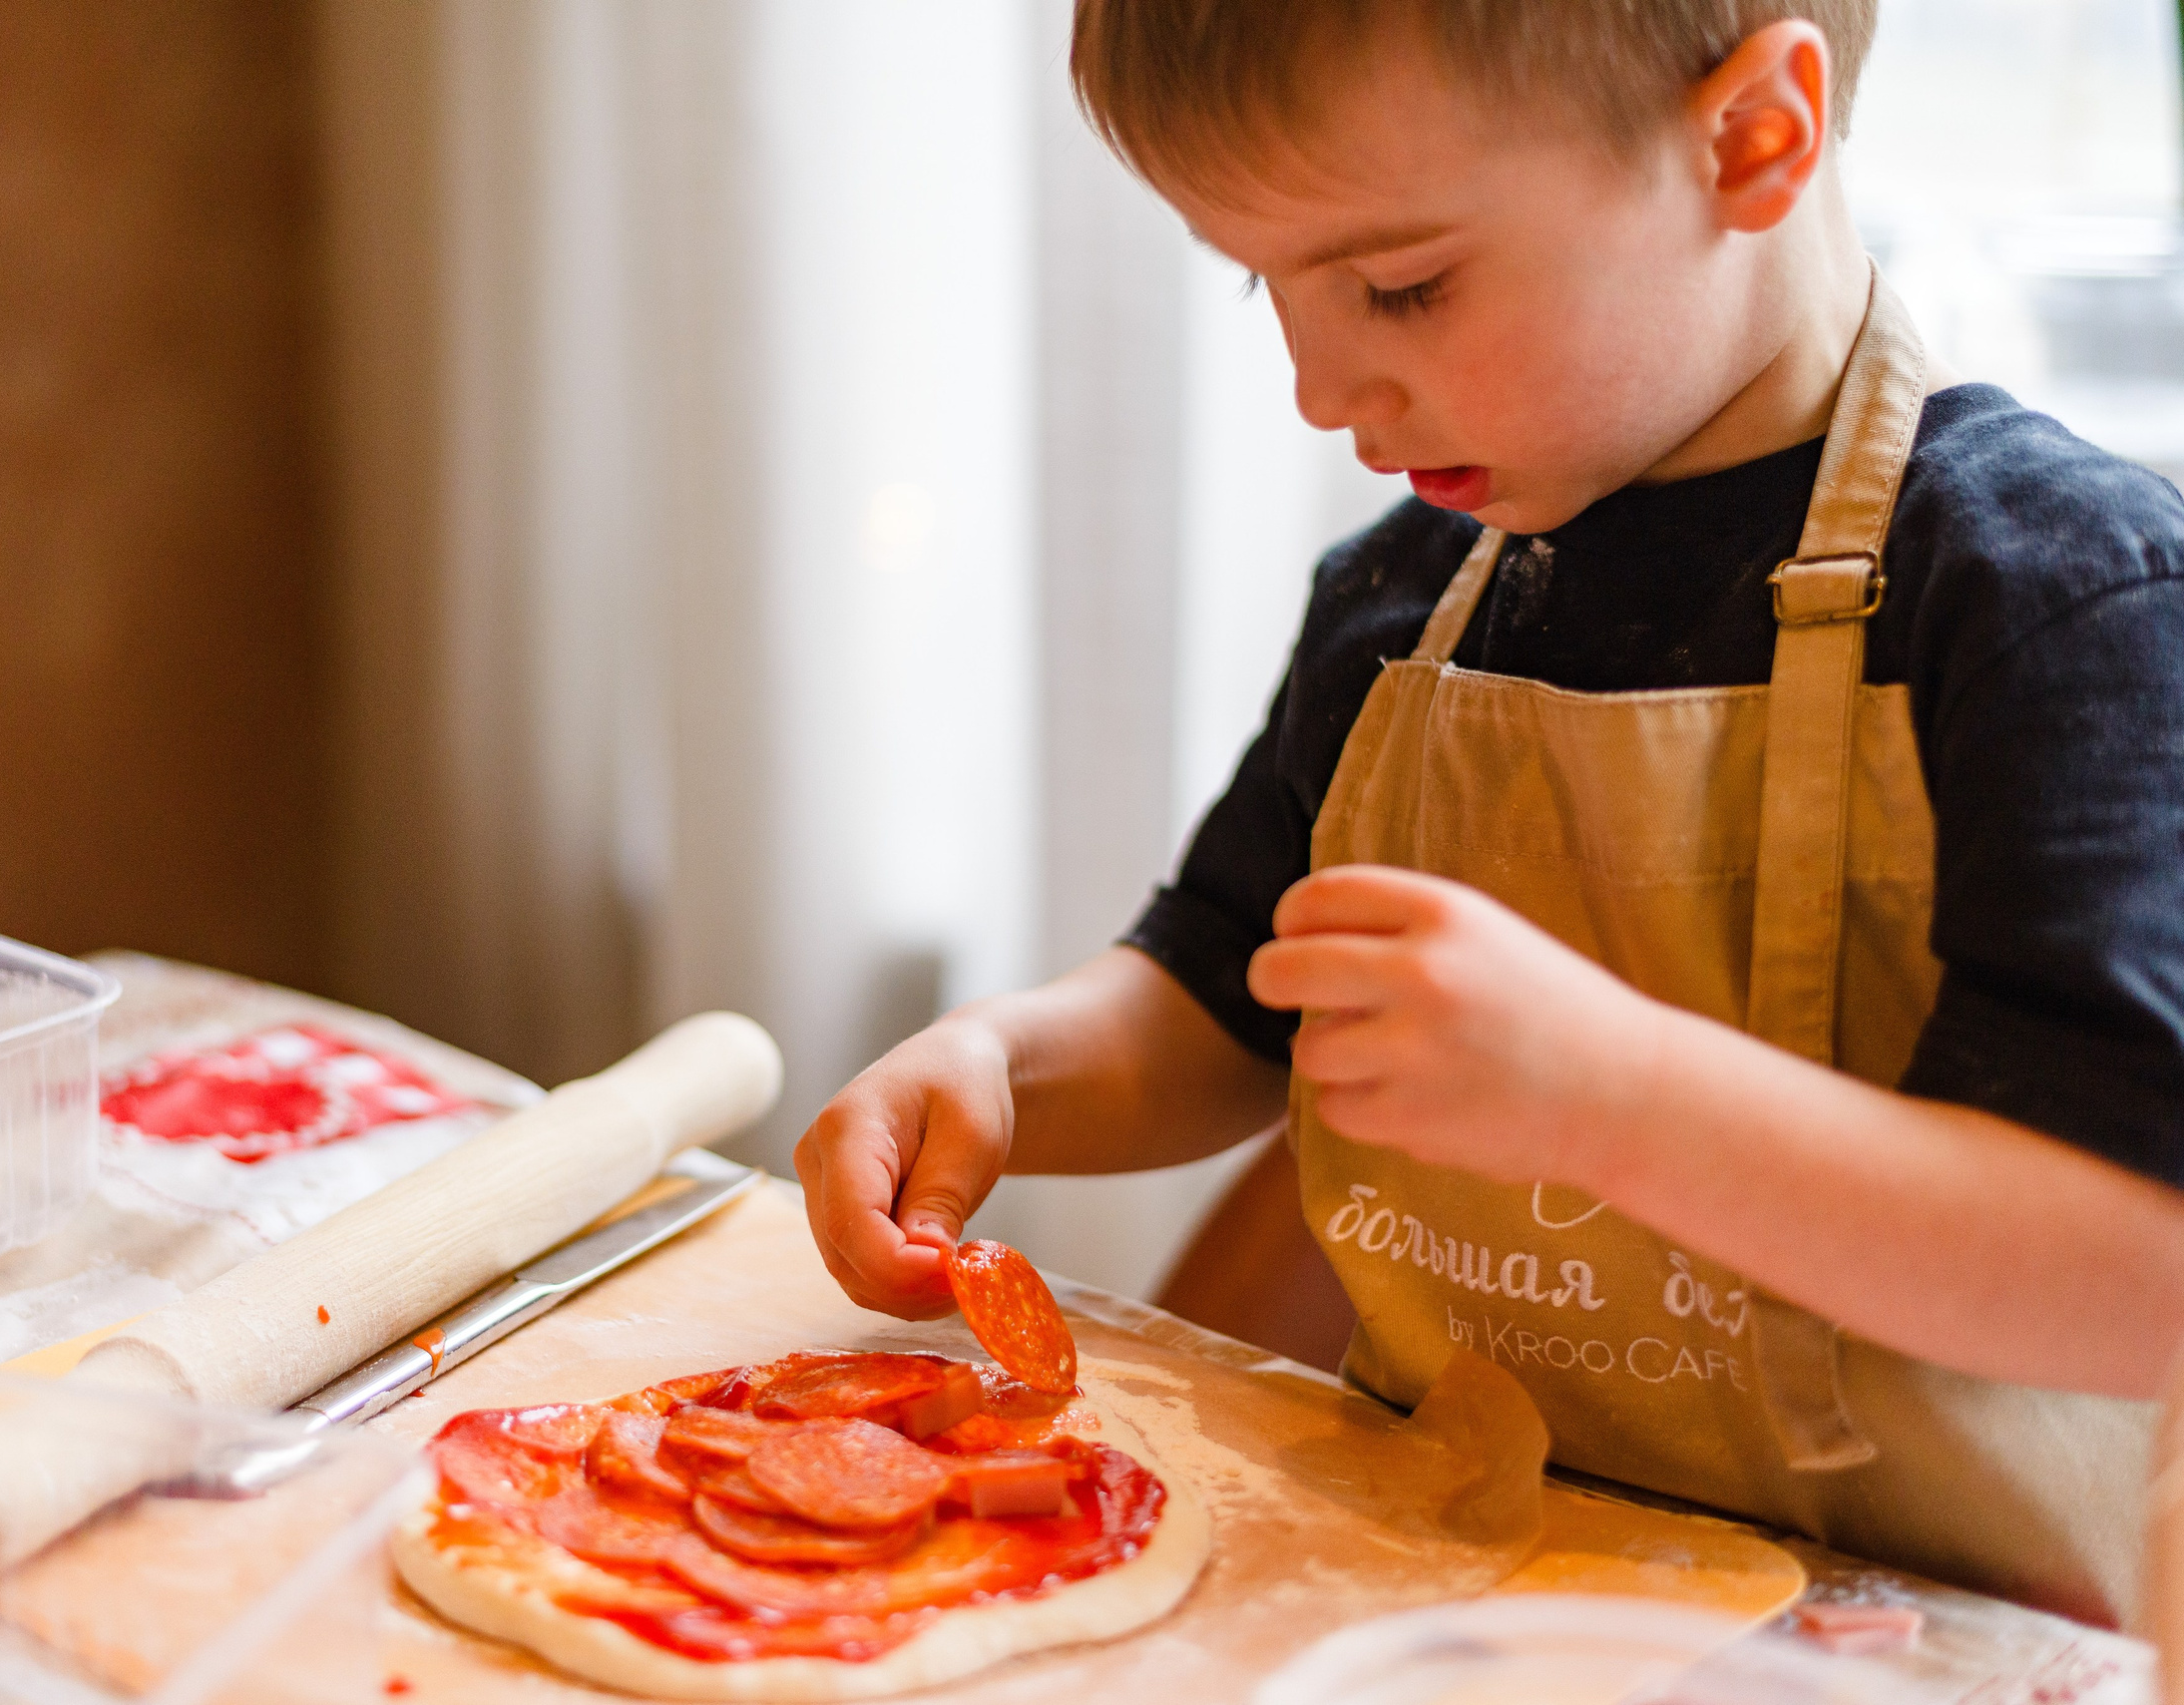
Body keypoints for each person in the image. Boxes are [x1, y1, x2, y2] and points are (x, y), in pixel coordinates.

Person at [793, 0, 2184, 1628]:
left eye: (1402, 287)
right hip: (1446, 1600)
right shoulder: (1402, 594)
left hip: (1921, 1644)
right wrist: (1006, 1067)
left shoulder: (2058, 598)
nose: (1318, 386)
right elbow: (1217, 997)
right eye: (1268, 284)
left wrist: (1610, 1094)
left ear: (1754, 138)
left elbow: (2134, 1269)